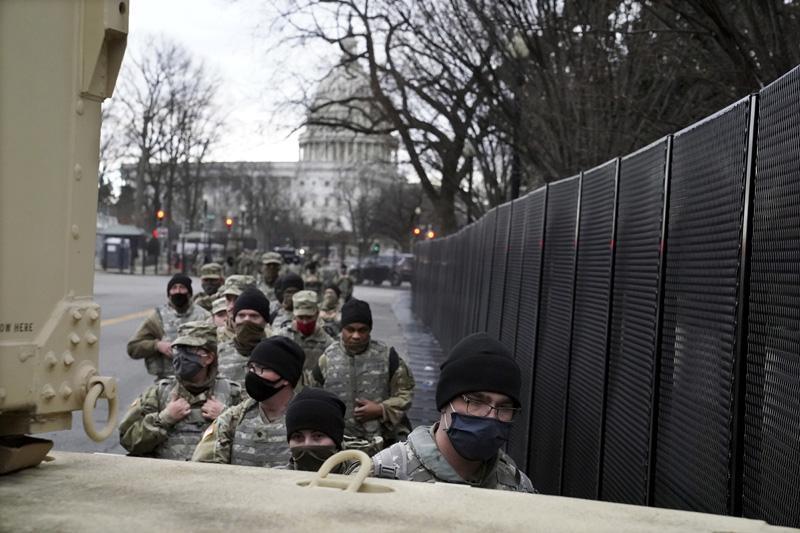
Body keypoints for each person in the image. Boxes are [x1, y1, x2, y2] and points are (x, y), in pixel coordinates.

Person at [368, 332, 535, 493]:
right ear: (445, 403)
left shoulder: (518, 488)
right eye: (476, 401)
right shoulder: (383, 476)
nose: (491, 416)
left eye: (504, 407)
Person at [118, 321, 242, 460]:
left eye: (190, 350)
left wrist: (225, 417)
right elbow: (128, 441)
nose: (182, 356)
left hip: (212, 478)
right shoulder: (158, 393)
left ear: (209, 358)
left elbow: (256, 445)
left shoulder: (232, 393)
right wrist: (164, 419)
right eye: (179, 349)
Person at [313, 298, 414, 454]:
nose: (356, 336)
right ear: (342, 328)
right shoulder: (326, 360)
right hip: (338, 444)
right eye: (350, 329)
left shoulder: (387, 357)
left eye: (362, 330)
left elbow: (405, 392)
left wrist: (381, 409)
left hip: (382, 444)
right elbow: (314, 398)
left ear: (370, 330)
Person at [191, 336, 305, 466]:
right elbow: (206, 468)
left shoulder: (308, 417)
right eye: (251, 368)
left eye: (262, 369)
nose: (253, 374)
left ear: (286, 377)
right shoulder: (232, 418)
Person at [127, 274, 211, 380]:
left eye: (182, 288)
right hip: (166, 381)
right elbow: (133, 347)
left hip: (198, 381)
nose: (178, 291)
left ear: (189, 293)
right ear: (168, 293)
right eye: (174, 288)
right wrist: (157, 345)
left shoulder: (204, 316)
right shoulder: (157, 317)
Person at [274, 290, 333, 387]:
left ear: (317, 314)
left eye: (309, 317)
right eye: (301, 318)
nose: (305, 322)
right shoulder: (281, 338)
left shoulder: (327, 343)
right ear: (294, 315)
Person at [217, 287, 271, 387]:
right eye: (241, 315)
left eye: (254, 316)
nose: (246, 320)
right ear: (234, 319)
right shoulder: (219, 353)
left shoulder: (276, 354)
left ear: (265, 321)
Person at [284, 388, 348, 472]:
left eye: (318, 436)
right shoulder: (278, 480)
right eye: (298, 437)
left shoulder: (364, 478)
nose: (307, 445)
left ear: (337, 440)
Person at [215, 274, 257, 344]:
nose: (231, 306)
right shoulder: (215, 336)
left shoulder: (265, 336)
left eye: (238, 299)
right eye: (228, 299)